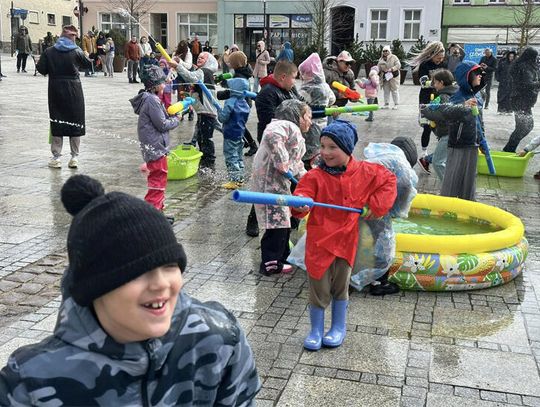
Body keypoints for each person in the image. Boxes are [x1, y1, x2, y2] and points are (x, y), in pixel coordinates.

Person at [0, 174, 261, 405]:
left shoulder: (220, 338)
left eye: (170, 266)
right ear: (94, 287)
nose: (161, 283)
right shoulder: (28, 384)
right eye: (137, 272)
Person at [292, 120, 397, 351]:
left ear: (348, 149)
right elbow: (302, 195)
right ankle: (315, 330)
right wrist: (300, 203)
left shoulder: (366, 172)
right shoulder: (314, 176)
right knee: (318, 287)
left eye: (333, 147)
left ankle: (338, 327)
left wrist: (374, 205)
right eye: (323, 146)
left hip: (346, 241)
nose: (325, 152)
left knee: (341, 285)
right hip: (319, 242)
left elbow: (389, 180)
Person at [252, 100, 311, 275]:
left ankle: (282, 256)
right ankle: (270, 263)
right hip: (269, 186)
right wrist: (282, 163)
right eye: (308, 116)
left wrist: (310, 181)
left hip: (278, 185)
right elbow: (271, 135)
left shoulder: (295, 133)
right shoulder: (285, 125)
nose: (310, 121)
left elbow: (297, 165)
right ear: (298, 116)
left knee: (283, 222)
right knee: (276, 225)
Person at [246, 60, 302, 237]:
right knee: (268, 184)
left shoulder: (290, 90)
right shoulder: (267, 93)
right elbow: (269, 121)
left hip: (290, 142)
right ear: (283, 76)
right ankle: (253, 219)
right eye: (293, 77)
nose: (295, 81)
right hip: (272, 144)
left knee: (289, 180)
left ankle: (292, 215)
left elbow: (302, 107)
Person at [36, 25, 93, 169]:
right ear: (72, 38)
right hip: (74, 90)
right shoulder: (77, 51)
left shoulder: (49, 51)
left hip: (56, 90)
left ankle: (56, 157)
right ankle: (74, 157)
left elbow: (41, 69)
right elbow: (87, 65)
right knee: (75, 122)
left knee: (57, 121)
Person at [130, 65, 179, 215]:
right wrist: (176, 119)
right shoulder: (152, 100)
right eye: (162, 82)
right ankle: (152, 214)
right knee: (157, 181)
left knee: (159, 180)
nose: (165, 84)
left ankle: (159, 211)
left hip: (155, 147)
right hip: (156, 148)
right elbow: (162, 124)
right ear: (155, 85)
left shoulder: (151, 99)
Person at [438, 61, 486, 201]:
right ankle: (447, 205)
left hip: (473, 143)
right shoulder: (458, 95)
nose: (480, 76)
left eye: (480, 73)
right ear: (467, 76)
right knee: (453, 178)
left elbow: (479, 121)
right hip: (458, 144)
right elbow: (447, 112)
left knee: (469, 179)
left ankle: (468, 203)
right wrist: (463, 105)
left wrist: (482, 140)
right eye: (476, 74)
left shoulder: (478, 96)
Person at [169, 52, 219, 170]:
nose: (199, 58)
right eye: (199, 57)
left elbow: (190, 76)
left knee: (206, 138)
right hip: (203, 112)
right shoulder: (205, 72)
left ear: (209, 61)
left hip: (207, 112)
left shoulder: (204, 71)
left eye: (203, 58)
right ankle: (204, 159)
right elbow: (191, 73)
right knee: (201, 137)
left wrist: (177, 66)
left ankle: (209, 161)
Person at [409, 41, 447, 172]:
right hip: (426, 98)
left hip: (440, 98)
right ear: (432, 54)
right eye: (438, 58)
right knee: (427, 126)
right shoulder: (425, 64)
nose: (440, 60)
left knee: (441, 126)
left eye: (442, 58)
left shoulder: (443, 64)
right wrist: (437, 83)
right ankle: (424, 153)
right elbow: (423, 82)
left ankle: (437, 156)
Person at [217, 50, 259, 156]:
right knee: (239, 124)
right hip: (244, 102)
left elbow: (234, 92)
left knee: (239, 124)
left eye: (230, 62)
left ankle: (252, 145)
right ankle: (247, 142)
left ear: (235, 63)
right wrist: (223, 81)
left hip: (241, 102)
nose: (229, 64)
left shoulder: (240, 75)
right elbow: (231, 83)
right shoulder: (242, 71)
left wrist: (219, 94)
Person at [419, 69, 458, 181]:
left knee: (437, 162)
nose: (434, 85)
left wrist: (425, 111)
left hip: (447, 133)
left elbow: (441, 115)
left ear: (441, 82)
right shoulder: (455, 93)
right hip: (453, 132)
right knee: (446, 159)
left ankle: (449, 187)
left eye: (435, 82)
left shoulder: (443, 97)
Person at [298, 52, 336, 168]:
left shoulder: (306, 88)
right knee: (318, 147)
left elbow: (298, 103)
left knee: (308, 147)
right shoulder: (325, 87)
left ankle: (307, 166)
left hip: (308, 123)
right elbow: (332, 99)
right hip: (322, 122)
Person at [503, 47, 540, 153]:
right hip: (520, 101)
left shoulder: (530, 66)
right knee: (525, 127)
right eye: (535, 56)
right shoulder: (524, 67)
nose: (536, 58)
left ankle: (509, 149)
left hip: (524, 101)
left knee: (524, 127)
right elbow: (527, 84)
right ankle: (509, 149)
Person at [218, 77, 251, 189]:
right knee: (239, 157)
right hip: (240, 134)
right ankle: (240, 178)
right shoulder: (245, 103)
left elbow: (223, 118)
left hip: (230, 133)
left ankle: (234, 180)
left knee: (231, 157)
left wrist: (219, 111)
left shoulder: (230, 101)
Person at [377, 45, 401, 109]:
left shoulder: (394, 57)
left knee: (394, 90)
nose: (385, 52)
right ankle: (386, 104)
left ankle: (396, 104)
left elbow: (398, 65)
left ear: (389, 51)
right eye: (384, 51)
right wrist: (374, 72)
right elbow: (378, 68)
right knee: (386, 90)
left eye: (386, 51)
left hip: (394, 76)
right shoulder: (381, 59)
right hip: (385, 77)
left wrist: (392, 69)